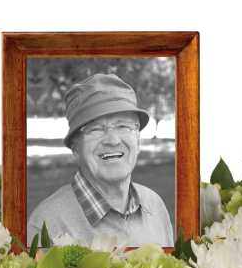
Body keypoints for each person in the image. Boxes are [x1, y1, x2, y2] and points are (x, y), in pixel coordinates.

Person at [27, 73, 174, 247]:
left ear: (137, 140)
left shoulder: (155, 206)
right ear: (75, 147)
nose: (113, 140)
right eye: (95, 129)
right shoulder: (46, 224)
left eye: (123, 126)